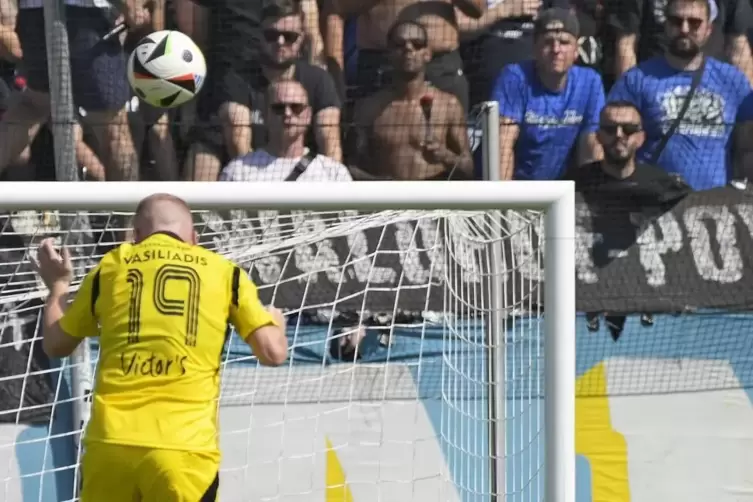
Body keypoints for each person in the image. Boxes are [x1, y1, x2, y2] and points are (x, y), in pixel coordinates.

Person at [32, 193, 288, 501]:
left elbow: (56, 344)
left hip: (111, 445)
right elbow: (273, 354)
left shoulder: (112, 266)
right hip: (183, 450)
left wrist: (58, 285)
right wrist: (276, 323)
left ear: (136, 236)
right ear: (194, 238)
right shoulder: (224, 273)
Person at [566, 101, 691, 339]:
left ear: (641, 138)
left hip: (650, 314)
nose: (619, 136)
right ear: (599, 136)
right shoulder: (573, 184)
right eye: (610, 129)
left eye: (629, 129)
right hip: (585, 307)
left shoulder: (663, 185)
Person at [186, 0, 342, 181]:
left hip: (304, 166)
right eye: (271, 35)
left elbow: (331, 141)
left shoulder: (319, 80)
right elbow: (239, 143)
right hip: (253, 172)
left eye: (289, 36)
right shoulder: (236, 79)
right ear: (259, 37)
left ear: (301, 39)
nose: (280, 42)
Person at [607, 0, 753, 190]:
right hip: (652, 203)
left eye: (694, 23)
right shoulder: (636, 80)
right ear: (666, 25)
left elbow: (748, 146)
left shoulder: (733, 81)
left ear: (709, 29)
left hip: (714, 205)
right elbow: (612, 142)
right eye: (676, 21)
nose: (684, 29)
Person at [0, 0, 144, 181]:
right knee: (113, 126)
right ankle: (126, 205)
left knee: (33, 106)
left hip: (33, 16)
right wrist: (130, 6)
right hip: (83, 18)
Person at [350, 20, 473, 180]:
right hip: (387, 201)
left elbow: (469, 169)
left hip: (434, 200)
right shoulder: (370, 108)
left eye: (417, 44)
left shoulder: (448, 105)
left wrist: (445, 156)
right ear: (388, 53)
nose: (408, 49)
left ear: (427, 53)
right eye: (399, 44)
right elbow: (351, 168)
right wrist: (380, 183)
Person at [493, 7, 605, 181]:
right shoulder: (514, 78)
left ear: (576, 50)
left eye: (564, 42)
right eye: (548, 42)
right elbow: (503, 147)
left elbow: (591, 148)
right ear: (535, 48)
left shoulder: (590, 82)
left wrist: (588, 198)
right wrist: (505, 202)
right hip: (517, 185)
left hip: (560, 190)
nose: (556, 49)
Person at [324, 0, 486, 112]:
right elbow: (336, 8)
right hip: (383, 68)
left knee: (448, 150)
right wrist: (336, 82)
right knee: (378, 151)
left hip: (442, 69)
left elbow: (478, 9)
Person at [220, 80, 351, 181]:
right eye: (278, 108)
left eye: (296, 107)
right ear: (265, 115)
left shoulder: (333, 172)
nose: (287, 113)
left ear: (309, 115)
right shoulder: (238, 171)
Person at [609, 0, 753, 85]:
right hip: (654, 86)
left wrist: (748, 106)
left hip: (712, 88)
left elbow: (738, 48)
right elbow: (625, 45)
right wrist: (627, 102)